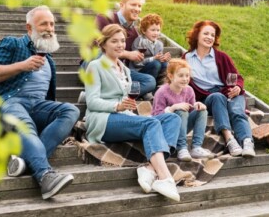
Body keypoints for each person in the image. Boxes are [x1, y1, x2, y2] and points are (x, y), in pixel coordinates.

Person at [0, 5, 80, 199]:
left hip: (38, 106)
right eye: (44, 24)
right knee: (26, 125)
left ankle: (22, 160)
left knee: (70, 110)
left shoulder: (50, 61)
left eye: (52, 24)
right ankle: (45, 176)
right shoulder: (13, 43)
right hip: (10, 102)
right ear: (29, 28)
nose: (49, 28)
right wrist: (23, 65)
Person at [84, 24, 181, 201]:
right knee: (151, 123)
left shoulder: (125, 69)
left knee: (172, 118)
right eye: (114, 41)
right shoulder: (95, 66)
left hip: (124, 116)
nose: (120, 45)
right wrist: (117, 106)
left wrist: (126, 106)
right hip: (103, 119)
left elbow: (127, 97)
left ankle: (150, 168)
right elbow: (91, 101)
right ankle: (165, 177)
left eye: (122, 41)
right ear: (104, 44)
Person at [182, 20, 255, 158]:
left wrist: (238, 88)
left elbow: (237, 77)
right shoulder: (187, 58)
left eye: (212, 35)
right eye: (206, 33)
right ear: (197, 35)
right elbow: (180, 79)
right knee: (216, 97)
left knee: (236, 111)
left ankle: (247, 143)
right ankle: (230, 140)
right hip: (209, 97)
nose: (210, 37)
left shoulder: (221, 57)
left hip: (230, 92)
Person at [95, 0, 156, 100]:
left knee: (150, 81)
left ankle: (113, 96)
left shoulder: (134, 32)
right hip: (96, 66)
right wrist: (127, 54)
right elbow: (98, 48)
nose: (137, 9)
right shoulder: (104, 18)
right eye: (133, 4)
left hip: (119, 71)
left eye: (139, 6)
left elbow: (129, 63)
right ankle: (119, 95)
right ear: (122, 5)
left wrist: (142, 56)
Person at [152, 58, 212, 162]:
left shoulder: (189, 90)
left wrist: (197, 105)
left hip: (182, 127)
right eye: (181, 76)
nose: (185, 79)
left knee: (202, 111)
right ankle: (182, 148)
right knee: (180, 111)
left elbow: (190, 109)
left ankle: (196, 147)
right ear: (171, 76)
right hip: (165, 129)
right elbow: (156, 117)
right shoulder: (162, 92)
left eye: (187, 75)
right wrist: (172, 108)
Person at [130, 13, 171, 83]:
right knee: (156, 64)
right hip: (139, 70)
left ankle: (158, 84)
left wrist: (163, 58)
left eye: (158, 30)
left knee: (165, 64)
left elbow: (158, 58)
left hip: (153, 69)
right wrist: (153, 58)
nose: (156, 33)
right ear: (143, 31)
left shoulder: (159, 44)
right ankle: (150, 85)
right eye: (153, 30)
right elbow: (137, 63)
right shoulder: (139, 41)